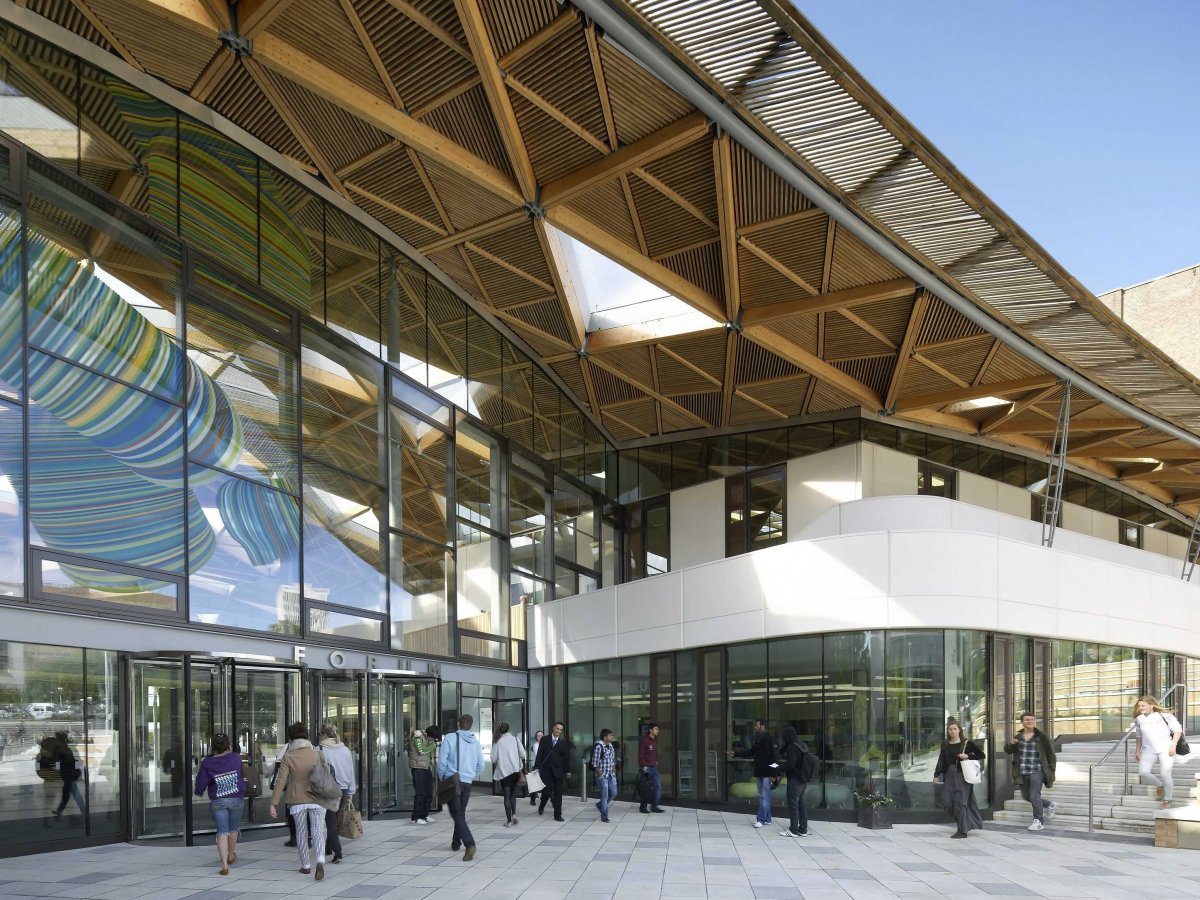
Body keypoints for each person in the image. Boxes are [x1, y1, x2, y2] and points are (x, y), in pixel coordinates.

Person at [269, 722, 331, 881]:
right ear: (306, 736)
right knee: (317, 832)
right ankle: (320, 861)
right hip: (318, 797)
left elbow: (281, 781)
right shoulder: (318, 753)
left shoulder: (288, 756)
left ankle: (306, 865)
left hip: (297, 799)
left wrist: (274, 802)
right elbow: (327, 774)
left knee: (301, 832)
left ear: (291, 738)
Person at [194, 733, 245, 875]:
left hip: (218, 801)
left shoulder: (207, 763)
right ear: (228, 746)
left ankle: (224, 866)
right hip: (236, 798)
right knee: (233, 829)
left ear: (213, 747)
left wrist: (198, 791)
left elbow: (201, 782)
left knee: (222, 832)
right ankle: (231, 856)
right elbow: (241, 773)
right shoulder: (236, 758)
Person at [438, 714, 484, 861]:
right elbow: (481, 765)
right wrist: (469, 775)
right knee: (460, 813)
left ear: (459, 724)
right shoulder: (475, 742)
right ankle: (455, 842)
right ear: (470, 725)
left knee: (457, 814)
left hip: (453, 781)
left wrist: (442, 778)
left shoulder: (450, 738)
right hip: (467, 783)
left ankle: (470, 844)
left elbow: (442, 762)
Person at [1003, 713, 1057, 831]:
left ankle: (1038, 821)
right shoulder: (1019, 736)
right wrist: (1010, 744)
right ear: (1022, 722)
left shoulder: (1041, 736)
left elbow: (1050, 753)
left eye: (1032, 719)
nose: (1030, 721)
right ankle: (1049, 804)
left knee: (1034, 795)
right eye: (1027, 720)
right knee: (1027, 796)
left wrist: (1052, 769)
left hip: (1037, 770)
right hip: (1022, 771)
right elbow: (1008, 751)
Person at [933, 721, 985, 839]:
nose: (952, 731)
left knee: (960, 802)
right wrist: (936, 774)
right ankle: (966, 822)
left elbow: (982, 755)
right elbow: (941, 760)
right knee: (946, 800)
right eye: (950, 729)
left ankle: (962, 830)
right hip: (950, 775)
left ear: (959, 730)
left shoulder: (967, 743)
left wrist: (967, 756)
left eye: (954, 729)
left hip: (963, 776)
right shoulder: (945, 744)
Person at [1133, 696, 1184, 809]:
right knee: (1143, 772)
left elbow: (1178, 729)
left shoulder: (1165, 715)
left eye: (1143, 705)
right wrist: (1137, 751)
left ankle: (1167, 799)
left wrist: (1173, 745)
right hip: (1148, 750)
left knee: (1165, 774)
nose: (1140, 708)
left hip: (1166, 749)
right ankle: (1160, 785)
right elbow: (1139, 736)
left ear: (1152, 705)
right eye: (1139, 706)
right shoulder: (1139, 719)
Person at [729, 719, 778, 828]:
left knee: (764, 796)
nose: (755, 727)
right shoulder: (758, 738)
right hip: (759, 771)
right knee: (762, 796)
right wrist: (736, 754)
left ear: (763, 726)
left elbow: (776, 758)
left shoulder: (771, 738)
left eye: (756, 725)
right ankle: (767, 818)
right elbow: (751, 752)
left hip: (768, 773)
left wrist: (774, 774)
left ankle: (761, 819)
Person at [318, 723, 356, 864]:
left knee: (331, 822)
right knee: (334, 819)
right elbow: (350, 771)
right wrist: (351, 791)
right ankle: (328, 847)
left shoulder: (320, 750)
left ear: (323, 734)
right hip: (344, 789)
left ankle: (338, 852)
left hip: (329, 789)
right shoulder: (345, 750)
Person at [779, 725, 812, 837]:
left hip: (794, 780)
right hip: (803, 779)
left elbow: (791, 765)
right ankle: (803, 829)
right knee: (802, 805)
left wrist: (780, 768)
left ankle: (793, 830)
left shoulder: (792, 747)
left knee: (793, 805)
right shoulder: (803, 745)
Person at [491, 722, 526, 827]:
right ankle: (514, 815)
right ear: (508, 729)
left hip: (503, 772)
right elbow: (523, 755)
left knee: (507, 795)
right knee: (513, 793)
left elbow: (493, 759)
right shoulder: (515, 739)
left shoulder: (497, 742)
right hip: (515, 770)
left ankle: (509, 821)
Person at [534, 722, 569, 821]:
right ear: (553, 728)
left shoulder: (562, 742)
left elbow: (565, 757)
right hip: (547, 771)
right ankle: (542, 805)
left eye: (560, 730)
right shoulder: (545, 739)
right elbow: (540, 753)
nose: (558, 731)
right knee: (546, 791)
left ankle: (557, 815)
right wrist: (537, 766)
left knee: (558, 794)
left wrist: (567, 771)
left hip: (558, 771)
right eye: (557, 728)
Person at [52, 732, 86, 818]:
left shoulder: (64, 750)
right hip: (68, 774)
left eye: (57, 739)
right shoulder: (64, 749)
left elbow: (68, 761)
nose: (56, 741)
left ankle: (60, 811)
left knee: (68, 794)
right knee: (71, 794)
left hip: (69, 775)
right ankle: (83, 810)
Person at [408, 727, 436, 825]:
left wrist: (431, 744)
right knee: (420, 794)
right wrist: (432, 746)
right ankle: (416, 817)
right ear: (429, 735)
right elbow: (421, 751)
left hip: (426, 768)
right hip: (418, 768)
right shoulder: (417, 737)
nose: (433, 740)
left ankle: (424, 815)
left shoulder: (429, 741)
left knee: (429, 793)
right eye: (433, 738)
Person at [638, 723, 665, 814]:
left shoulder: (654, 740)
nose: (658, 731)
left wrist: (655, 761)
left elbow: (652, 754)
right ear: (650, 730)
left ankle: (654, 807)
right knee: (645, 788)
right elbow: (641, 755)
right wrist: (643, 766)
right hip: (647, 769)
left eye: (658, 729)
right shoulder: (645, 741)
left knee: (658, 787)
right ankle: (643, 807)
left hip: (654, 768)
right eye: (656, 729)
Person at [592, 728, 617, 823]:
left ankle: (600, 805)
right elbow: (595, 763)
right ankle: (604, 815)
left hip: (611, 774)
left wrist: (614, 772)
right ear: (605, 737)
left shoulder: (610, 746)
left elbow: (612, 760)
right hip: (603, 776)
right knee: (604, 796)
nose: (612, 737)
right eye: (610, 736)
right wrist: (601, 775)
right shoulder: (599, 747)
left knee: (614, 793)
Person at [426, 725, 444, 816]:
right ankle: (420, 815)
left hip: (431, 766)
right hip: (425, 767)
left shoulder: (434, 743)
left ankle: (426, 813)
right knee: (424, 792)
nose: (434, 740)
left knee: (430, 791)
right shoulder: (420, 740)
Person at [528, 730, 544, 807]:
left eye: (541, 735)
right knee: (534, 784)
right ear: (536, 737)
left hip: (544, 766)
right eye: (538, 736)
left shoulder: (545, 745)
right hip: (537, 767)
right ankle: (532, 800)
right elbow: (538, 755)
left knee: (546, 783)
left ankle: (551, 799)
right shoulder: (536, 745)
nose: (540, 737)